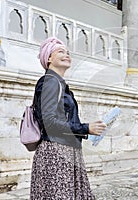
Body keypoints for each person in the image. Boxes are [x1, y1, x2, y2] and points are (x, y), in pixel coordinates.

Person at [30, 37, 106, 199]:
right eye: (61, 52)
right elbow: (49, 122)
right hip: (56, 153)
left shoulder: (58, 83)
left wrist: (88, 129)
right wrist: (85, 128)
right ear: (49, 58)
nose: (67, 55)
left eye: (68, 53)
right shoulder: (50, 82)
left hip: (66, 151)